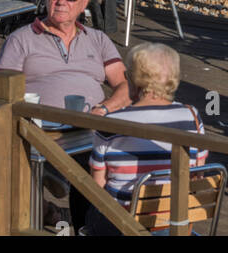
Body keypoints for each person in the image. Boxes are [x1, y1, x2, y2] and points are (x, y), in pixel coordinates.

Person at [86, 43, 206, 235]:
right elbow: (197, 173)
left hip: (123, 223)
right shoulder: (191, 116)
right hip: (176, 222)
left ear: (135, 81)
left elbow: (97, 186)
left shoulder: (112, 124)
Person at [0, 0, 128, 112]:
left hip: (93, 125)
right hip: (39, 127)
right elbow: (2, 91)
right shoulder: (20, 39)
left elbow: (125, 86)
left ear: (84, 2)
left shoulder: (99, 39)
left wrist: (104, 109)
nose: (61, 1)